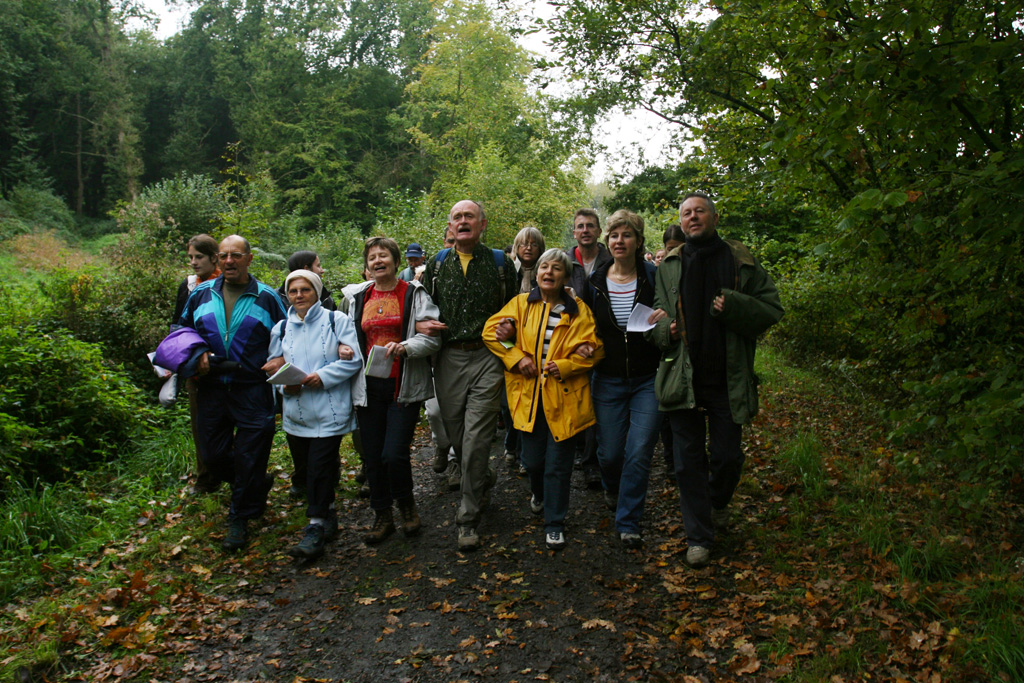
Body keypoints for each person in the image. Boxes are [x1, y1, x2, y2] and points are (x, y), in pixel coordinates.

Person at [649, 192, 783, 568]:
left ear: (714, 217)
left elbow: (772, 309)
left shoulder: (740, 260)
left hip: (729, 375)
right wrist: (666, 331)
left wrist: (736, 306)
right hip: (683, 376)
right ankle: (699, 537)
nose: (693, 218)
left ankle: (718, 501)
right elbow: (653, 322)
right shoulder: (670, 264)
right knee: (686, 460)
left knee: (727, 457)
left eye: (700, 211)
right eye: (686, 213)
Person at [484, 249, 603, 549]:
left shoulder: (578, 311)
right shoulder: (521, 304)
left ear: (565, 276)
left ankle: (555, 522)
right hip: (530, 398)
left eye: (556, 268)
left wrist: (566, 365)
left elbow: (595, 349)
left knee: (558, 466)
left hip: (564, 399)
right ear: (536, 274)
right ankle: (539, 493)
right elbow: (490, 332)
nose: (549, 272)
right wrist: (515, 355)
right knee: (533, 462)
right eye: (544, 268)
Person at [420, 200, 518, 551]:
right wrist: (421, 324)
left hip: (489, 357)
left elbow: (514, 307)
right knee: (457, 435)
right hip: (448, 359)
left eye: (469, 217)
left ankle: (467, 516)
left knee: (477, 438)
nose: (463, 222)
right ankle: (481, 475)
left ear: (482, 224)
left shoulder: (500, 263)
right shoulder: (437, 264)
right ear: (450, 226)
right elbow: (424, 308)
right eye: (457, 217)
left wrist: (510, 327)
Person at [179, 235, 287, 551]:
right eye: (224, 255)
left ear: (249, 259)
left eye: (236, 255)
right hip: (211, 388)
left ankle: (239, 518)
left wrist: (281, 357)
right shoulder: (200, 294)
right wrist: (194, 354)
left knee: (250, 456)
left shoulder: (267, 297)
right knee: (212, 457)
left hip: (252, 389)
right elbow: (181, 331)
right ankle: (254, 485)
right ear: (217, 259)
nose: (229, 261)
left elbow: (290, 332)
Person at [345, 237, 442, 544]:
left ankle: (406, 505)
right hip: (367, 387)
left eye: (383, 256)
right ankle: (382, 513)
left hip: (403, 385)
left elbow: (432, 337)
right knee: (373, 456)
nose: (378, 261)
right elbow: (347, 335)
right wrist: (343, 349)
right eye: (372, 257)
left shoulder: (413, 294)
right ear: (366, 265)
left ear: (396, 261)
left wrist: (405, 346)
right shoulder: (357, 297)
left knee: (394, 453)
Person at [267, 270, 362, 559]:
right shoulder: (281, 328)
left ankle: (315, 526)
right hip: (296, 413)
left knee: (320, 466)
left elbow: (354, 360)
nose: (298, 295)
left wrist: (322, 376)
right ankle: (328, 511)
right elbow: (273, 367)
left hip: (329, 409)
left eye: (305, 289)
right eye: (293, 290)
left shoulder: (337, 321)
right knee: (307, 469)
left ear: (317, 291)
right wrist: (285, 386)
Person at [587, 210, 666, 550]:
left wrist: (667, 319)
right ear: (608, 240)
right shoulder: (594, 281)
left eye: (627, 235)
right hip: (607, 379)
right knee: (610, 455)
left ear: (638, 240)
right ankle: (612, 487)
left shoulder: (654, 276)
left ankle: (629, 520)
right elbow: (582, 325)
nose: (619, 241)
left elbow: (671, 311)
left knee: (639, 452)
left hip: (648, 379)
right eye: (614, 235)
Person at [170, 234, 221, 495]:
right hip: (197, 367)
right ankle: (205, 479)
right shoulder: (189, 287)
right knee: (200, 423)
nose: (193, 262)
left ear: (214, 257)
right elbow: (179, 327)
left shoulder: (230, 282)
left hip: (228, 366)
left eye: (198, 257)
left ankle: (235, 472)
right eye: (190, 257)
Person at [566, 209, 609, 490]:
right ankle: (576, 453)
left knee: (597, 402)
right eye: (580, 226)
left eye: (590, 226)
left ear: (598, 231)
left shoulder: (611, 258)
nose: (585, 231)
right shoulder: (565, 261)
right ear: (574, 232)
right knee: (575, 399)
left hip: (607, 341)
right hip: (573, 342)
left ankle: (593, 463)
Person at [501, 227, 546, 469]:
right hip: (509, 343)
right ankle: (512, 444)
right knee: (508, 404)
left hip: (539, 346)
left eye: (534, 244)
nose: (528, 248)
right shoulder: (507, 273)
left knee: (532, 401)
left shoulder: (547, 271)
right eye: (523, 244)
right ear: (516, 248)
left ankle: (526, 455)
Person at [427, 228, 459, 486]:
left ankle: (456, 461)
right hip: (438, 354)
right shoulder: (433, 269)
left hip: (471, 354)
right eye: (449, 241)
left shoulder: (482, 267)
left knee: (464, 416)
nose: (454, 245)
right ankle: (442, 444)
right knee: (436, 411)